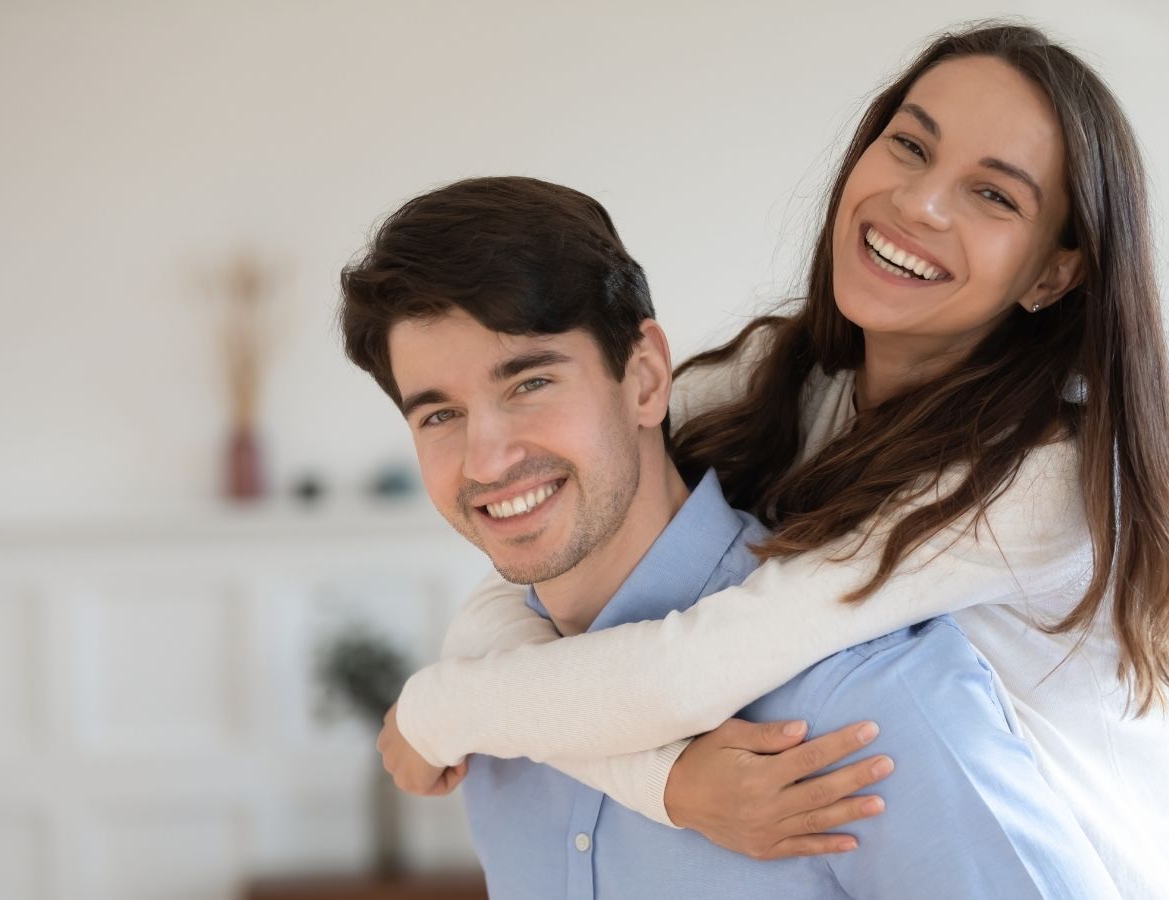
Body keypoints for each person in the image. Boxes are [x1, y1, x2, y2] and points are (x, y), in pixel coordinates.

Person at [374, 21, 1169, 900]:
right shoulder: (787, 386)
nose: (922, 204)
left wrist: (444, 710)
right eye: (909, 145)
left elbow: (685, 674)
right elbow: (540, 548)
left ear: (1053, 275)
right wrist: (656, 778)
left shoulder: (1040, 481)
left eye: (995, 196)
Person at [339, 174, 1121, 899]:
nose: (488, 459)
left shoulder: (867, 701)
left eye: (531, 382)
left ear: (646, 379)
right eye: (439, 414)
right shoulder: (489, 718)